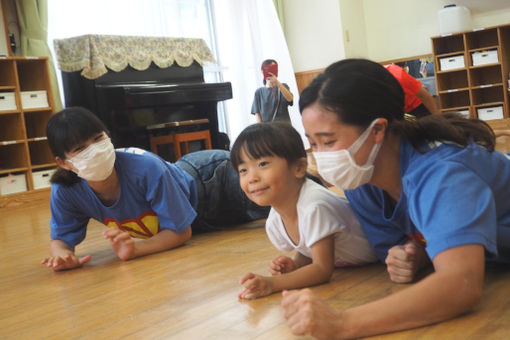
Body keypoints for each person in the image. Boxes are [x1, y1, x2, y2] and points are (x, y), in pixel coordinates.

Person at [281, 58, 510, 339]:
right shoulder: (360, 180)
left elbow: (460, 286)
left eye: (329, 141)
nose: (321, 156)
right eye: (313, 143)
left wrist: (343, 322)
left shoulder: (442, 174)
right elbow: (397, 250)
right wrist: (416, 255)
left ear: (377, 130)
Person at [41, 107, 269, 271]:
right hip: (196, 221)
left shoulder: (144, 166)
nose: (95, 150)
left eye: (98, 138)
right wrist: (63, 256)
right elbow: (61, 240)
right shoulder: (66, 190)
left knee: (282, 193)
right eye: (80, 148)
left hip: (210, 182)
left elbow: (181, 233)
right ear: (63, 163)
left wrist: (136, 250)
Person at [230, 122, 377, 299]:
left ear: (299, 168)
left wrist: (271, 283)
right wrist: (297, 264)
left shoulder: (315, 206)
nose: (252, 178)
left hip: (387, 249)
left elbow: (322, 269)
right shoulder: (276, 218)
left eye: (262, 164)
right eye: (243, 170)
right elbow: (313, 246)